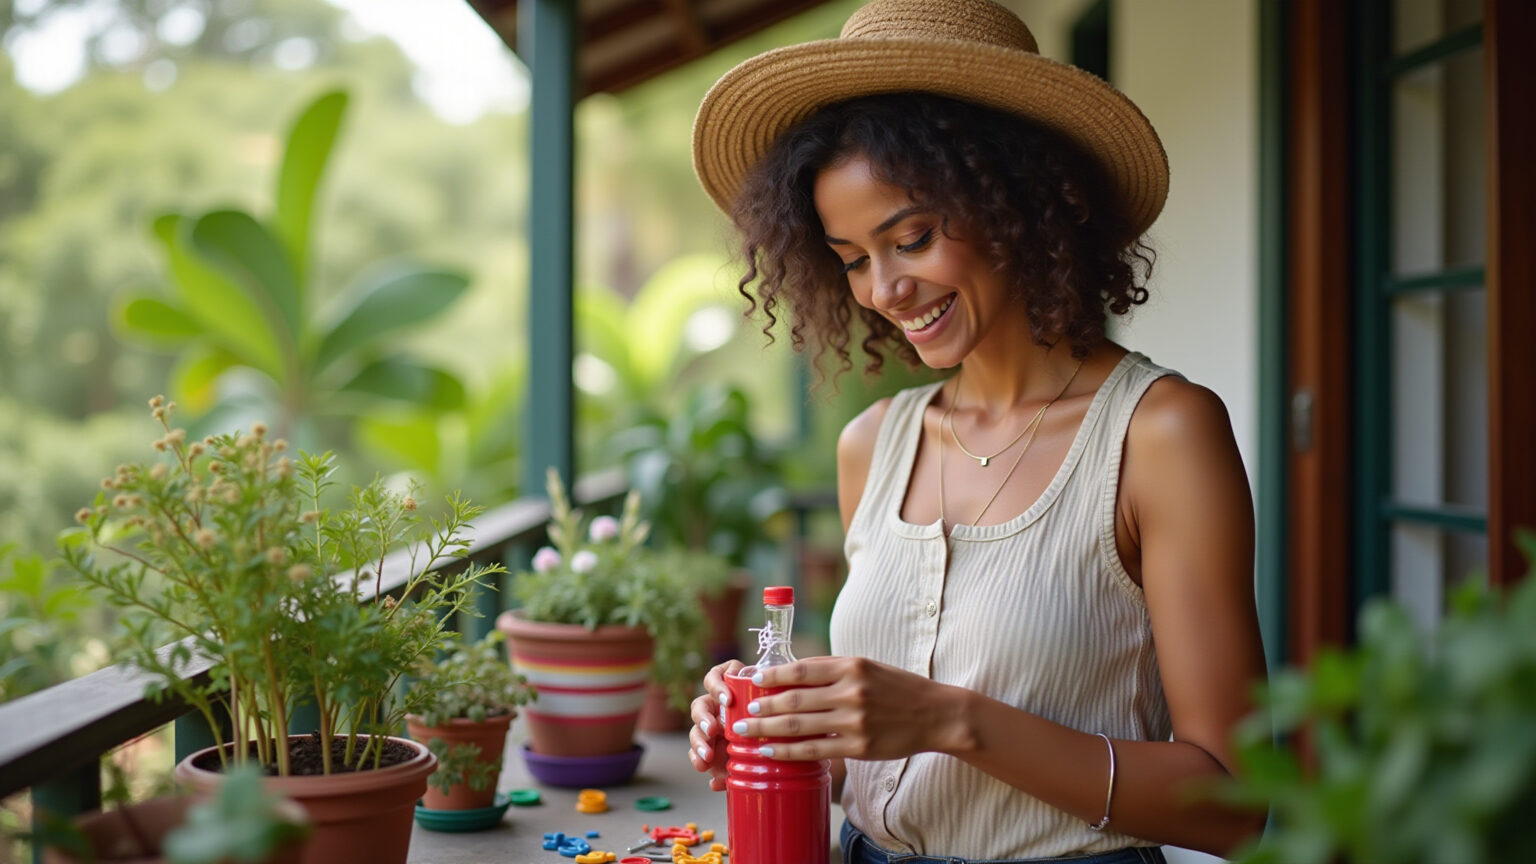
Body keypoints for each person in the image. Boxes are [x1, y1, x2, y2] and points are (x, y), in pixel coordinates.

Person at [686, 0, 1268, 861]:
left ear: (1018, 204)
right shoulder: (874, 445)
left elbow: (1235, 802)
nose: (884, 289)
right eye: (851, 259)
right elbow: (885, 777)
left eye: (911, 238)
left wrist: (950, 719)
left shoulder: (1158, 435)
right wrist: (790, 729)